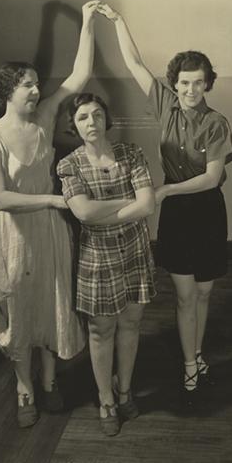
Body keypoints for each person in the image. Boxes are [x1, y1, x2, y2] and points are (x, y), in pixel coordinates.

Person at [95, 2, 232, 403]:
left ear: (208, 84)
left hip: (207, 210)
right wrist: (119, 20)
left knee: (204, 294)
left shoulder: (216, 123)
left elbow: (211, 178)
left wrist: (164, 191)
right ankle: (190, 364)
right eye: (184, 83)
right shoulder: (165, 105)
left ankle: (197, 354)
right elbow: (134, 62)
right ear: (174, 84)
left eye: (198, 83)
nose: (191, 90)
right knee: (185, 295)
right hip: (177, 215)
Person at [0, 0, 99, 428]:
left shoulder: (45, 117)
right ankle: (23, 387)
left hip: (48, 229)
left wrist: (87, 21)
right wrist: (52, 201)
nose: (35, 90)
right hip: (13, 232)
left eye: (35, 84)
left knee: (51, 301)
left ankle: (48, 381)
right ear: (7, 91)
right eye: (26, 85)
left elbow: (80, 75)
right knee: (17, 306)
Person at [57, 93, 156, 436]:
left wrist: (105, 210)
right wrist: (128, 201)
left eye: (97, 114)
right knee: (101, 330)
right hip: (98, 258)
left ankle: (124, 390)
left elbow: (148, 206)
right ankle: (106, 400)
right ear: (74, 126)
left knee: (131, 323)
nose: (92, 122)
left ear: (106, 119)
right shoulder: (69, 165)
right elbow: (83, 213)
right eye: (83, 117)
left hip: (134, 251)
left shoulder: (131, 153)